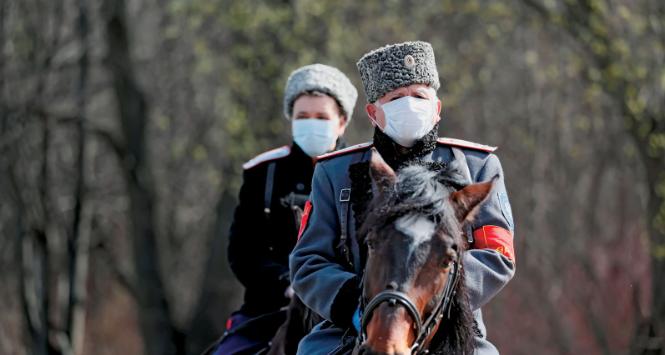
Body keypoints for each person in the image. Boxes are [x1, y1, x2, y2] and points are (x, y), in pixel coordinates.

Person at [290, 41, 516, 354]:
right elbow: (308, 262)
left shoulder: (478, 166)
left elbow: (497, 254)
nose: (409, 105)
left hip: (453, 326)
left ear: (436, 109)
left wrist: (430, 296)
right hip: (351, 326)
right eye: (396, 98)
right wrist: (365, 306)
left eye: (419, 96)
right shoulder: (334, 172)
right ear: (372, 113)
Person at [213, 64, 358, 355]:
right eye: (302, 116)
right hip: (269, 309)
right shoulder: (262, 173)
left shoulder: (363, 171)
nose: (311, 123)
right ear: (291, 120)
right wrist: (287, 285)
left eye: (321, 117)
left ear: (341, 122)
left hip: (346, 309)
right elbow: (242, 252)